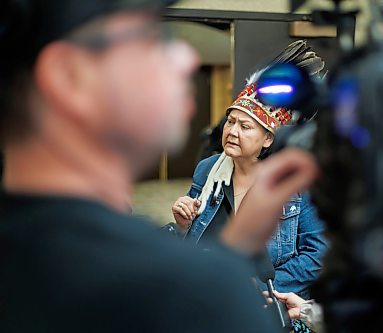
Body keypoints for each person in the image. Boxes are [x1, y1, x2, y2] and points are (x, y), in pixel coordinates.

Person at [0, 0, 319, 332]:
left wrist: (234, 254)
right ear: (69, 76)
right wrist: (232, 279)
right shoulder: (161, 287)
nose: (187, 58)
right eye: (152, 38)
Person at [172, 46, 329, 299]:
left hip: (268, 302)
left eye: (245, 126)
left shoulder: (297, 183)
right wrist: (183, 225)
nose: (232, 131)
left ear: (268, 139)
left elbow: (317, 255)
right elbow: (193, 240)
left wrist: (256, 288)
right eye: (230, 122)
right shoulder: (208, 170)